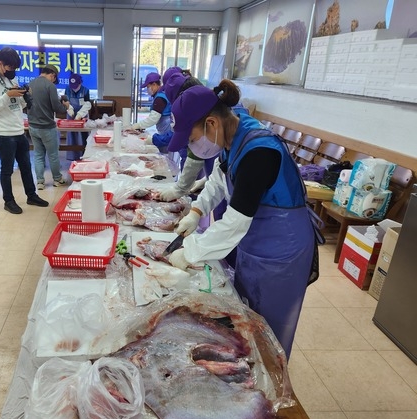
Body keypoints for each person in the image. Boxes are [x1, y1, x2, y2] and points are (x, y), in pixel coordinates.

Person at [166, 82, 320, 359]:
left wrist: (190, 251)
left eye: (191, 138)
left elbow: (235, 222)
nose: (191, 145)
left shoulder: (260, 152)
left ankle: (273, 385)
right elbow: (218, 178)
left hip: (281, 247)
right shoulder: (230, 131)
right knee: (246, 314)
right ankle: (246, 365)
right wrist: (197, 212)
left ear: (211, 123)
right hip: (256, 238)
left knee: (269, 327)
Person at [0, 46, 49, 214]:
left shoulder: (11, 79)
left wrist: (26, 97)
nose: (13, 71)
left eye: (15, 68)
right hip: (4, 133)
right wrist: (7, 95)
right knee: (7, 169)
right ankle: (8, 201)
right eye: (10, 68)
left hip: (19, 130)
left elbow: (18, 106)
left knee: (26, 166)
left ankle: (31, 195)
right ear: (1, 63)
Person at [27, 64, 73, 190]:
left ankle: (40, 182)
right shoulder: (50, 86)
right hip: (47, 127)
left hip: (33, 126)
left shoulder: (30, 83)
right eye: (54, 78)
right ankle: (57, 179)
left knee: (38, 154)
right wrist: (66, 106)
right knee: (52, 155)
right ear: (52, 74)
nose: (54, 80)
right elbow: (56, 107)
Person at [129, 72, 172, 153]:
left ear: (155, 84)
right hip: (165, 129)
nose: (147, 89)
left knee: (165, 154)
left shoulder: (160, 98)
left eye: (148, 87)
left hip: (166, 130)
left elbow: (153, 119)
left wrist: (139, 125)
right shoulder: (161, 94)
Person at [63, 72, 91, 161]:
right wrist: (70, 110)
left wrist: (80, 114)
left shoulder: (85, 90)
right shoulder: (67, 89)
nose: (74, 88)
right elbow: (66, 102)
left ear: (80, 83)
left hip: (82, 114)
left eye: (76, 85)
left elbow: (88, 104)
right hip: (71, 114)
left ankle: (84, 155)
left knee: (84, 135)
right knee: (72, 134)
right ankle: (73, 156)